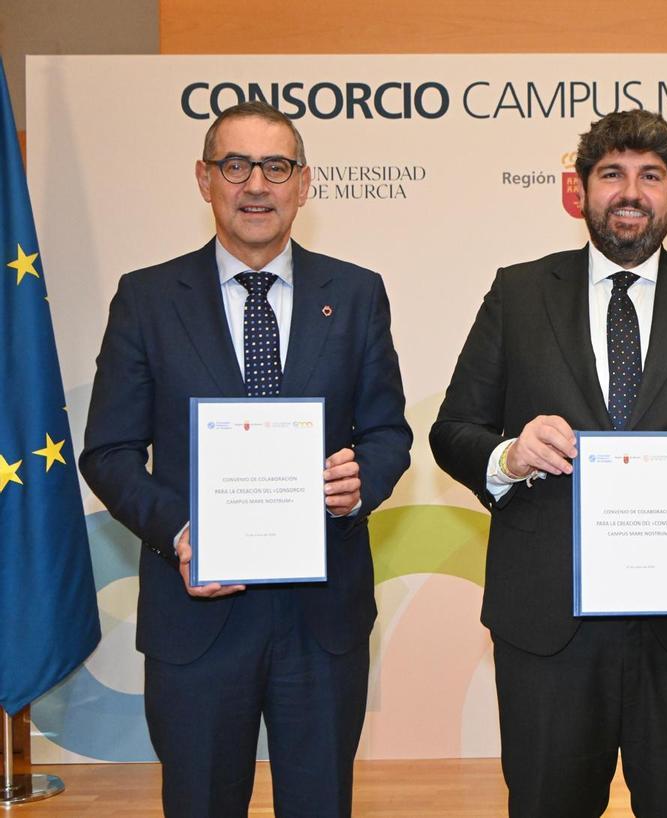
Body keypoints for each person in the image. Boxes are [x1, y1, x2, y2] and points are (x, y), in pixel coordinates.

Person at [430, 109, 667, 818]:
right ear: (582, 190)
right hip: (550, 628)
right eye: (612, 174)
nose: (631, 192)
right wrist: (509, 455)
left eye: (651, 176)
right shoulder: (518, 292)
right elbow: (453, 430)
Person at [80, 101, 412, 818]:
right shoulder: (145, 299)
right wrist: (178, 532)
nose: (256, 184)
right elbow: (108, 451)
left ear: (304, 183)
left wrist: (363, 482)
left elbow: (389, 433)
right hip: (196, 617)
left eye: (276, 166)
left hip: (322, 623)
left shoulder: (355, 295)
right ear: (205, 179)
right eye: (236, 165)